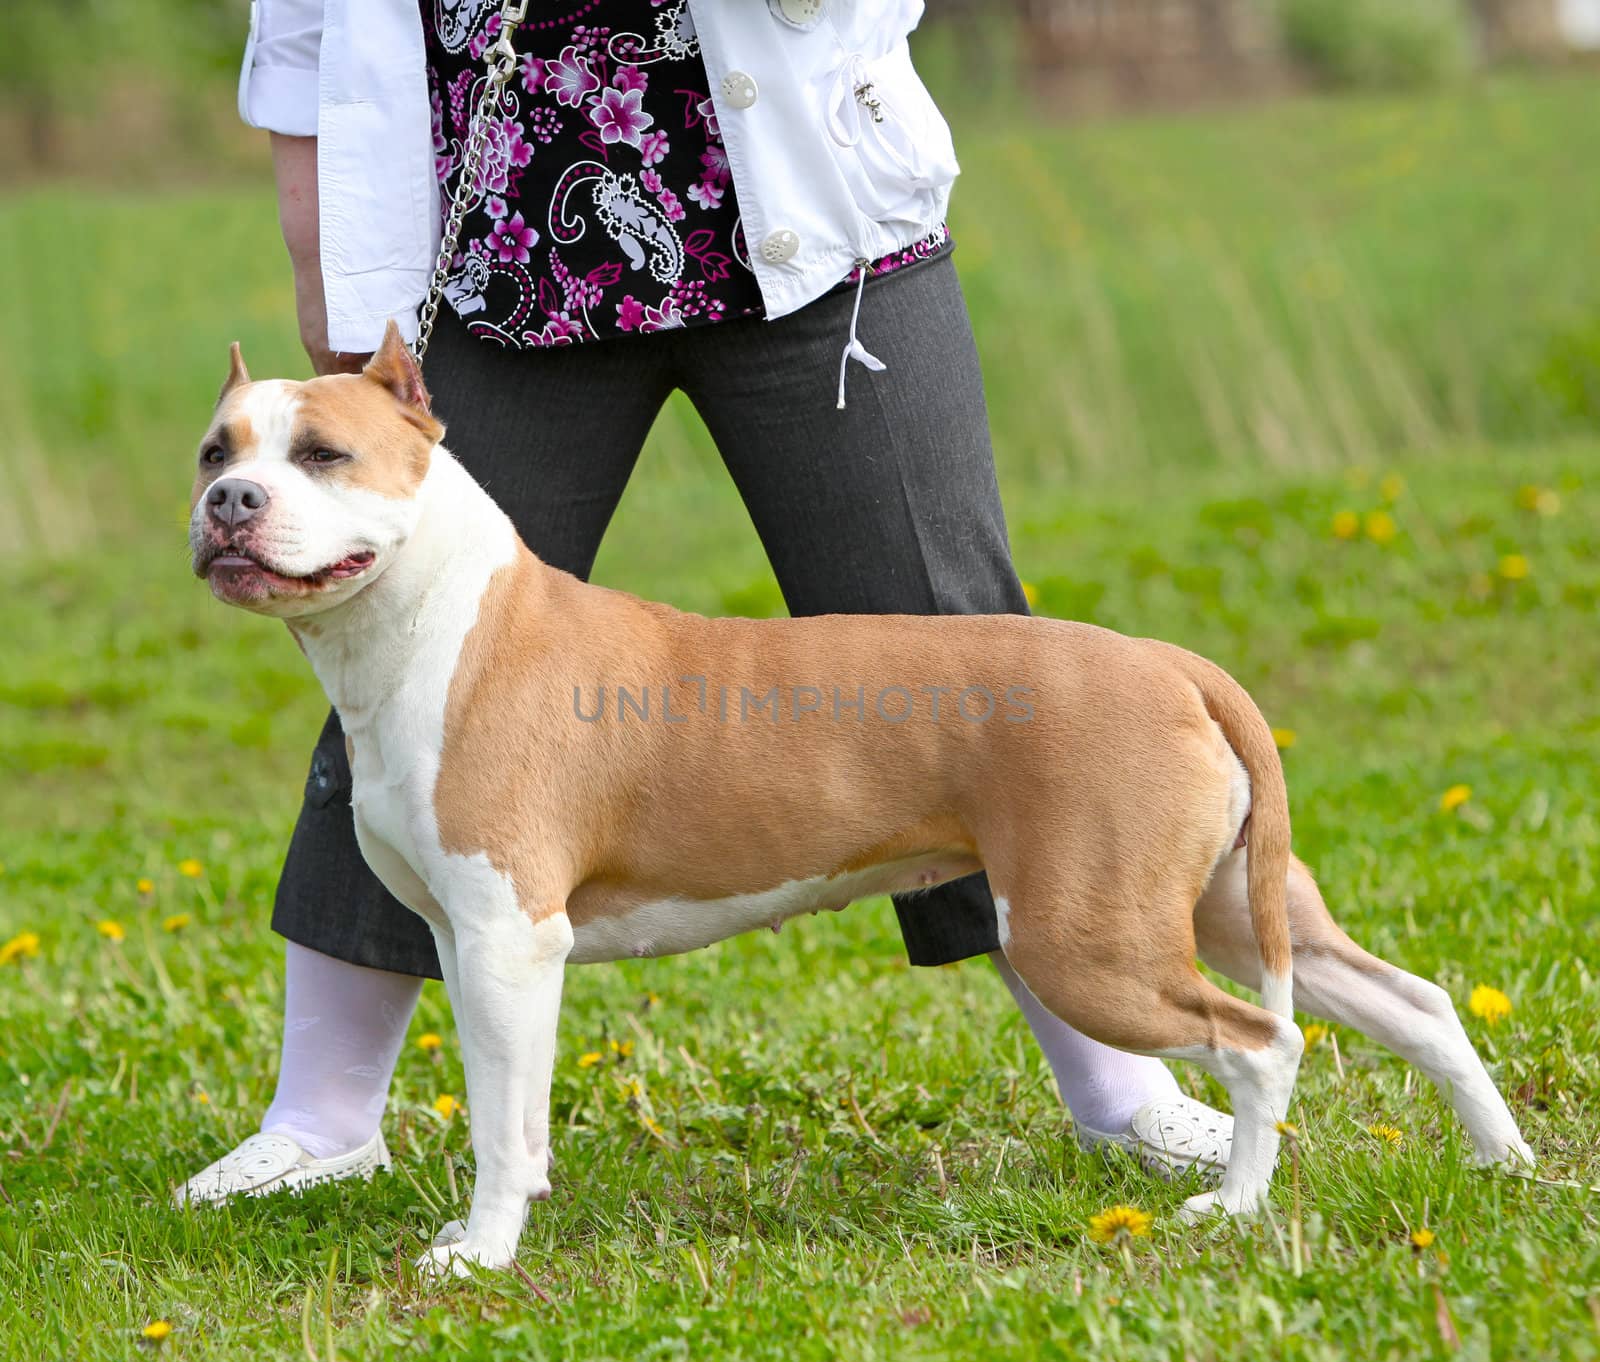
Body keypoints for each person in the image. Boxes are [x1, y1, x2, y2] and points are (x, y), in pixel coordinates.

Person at [179, 0, 1232, 1203]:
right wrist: (324, 252)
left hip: (813, 206)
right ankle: (321, 1116)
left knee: (957, 645)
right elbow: (310, 19)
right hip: (513, 243)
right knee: (409, 662)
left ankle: (1120, 1083)